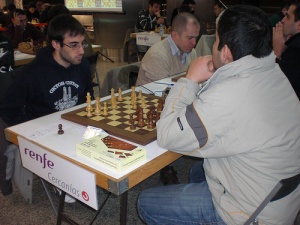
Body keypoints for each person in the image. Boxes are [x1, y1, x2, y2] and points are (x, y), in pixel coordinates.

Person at [137, 5, 300, 225]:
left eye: (215, 40)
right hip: (280, 196)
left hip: (252, 213)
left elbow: (167, 134)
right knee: (197, 173)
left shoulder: (230, 95)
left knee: (145, 201)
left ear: (225, 52)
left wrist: (190, 80)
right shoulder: (273, 72)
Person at [0, 14, 94, 196]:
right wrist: (30, 128)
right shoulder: (32, 73)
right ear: (56, 44)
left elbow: (86, 98)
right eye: (74, 45)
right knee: (74, 193)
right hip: (46, 134)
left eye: (83, 44)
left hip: (74, 127)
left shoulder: (82, 67)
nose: (81, 50)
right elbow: (7, 108)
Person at [136, 12, 200, 86]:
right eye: (190, 38)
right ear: (175, 35)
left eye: (196, 37)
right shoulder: (157, 55)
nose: (194, 43)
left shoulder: (192, 52)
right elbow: (162, 91)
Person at [273, 1, 300, 100]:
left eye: (288, 17)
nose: (283, 20)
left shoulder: (296, 49)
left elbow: (277, 83)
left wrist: (277, 52)